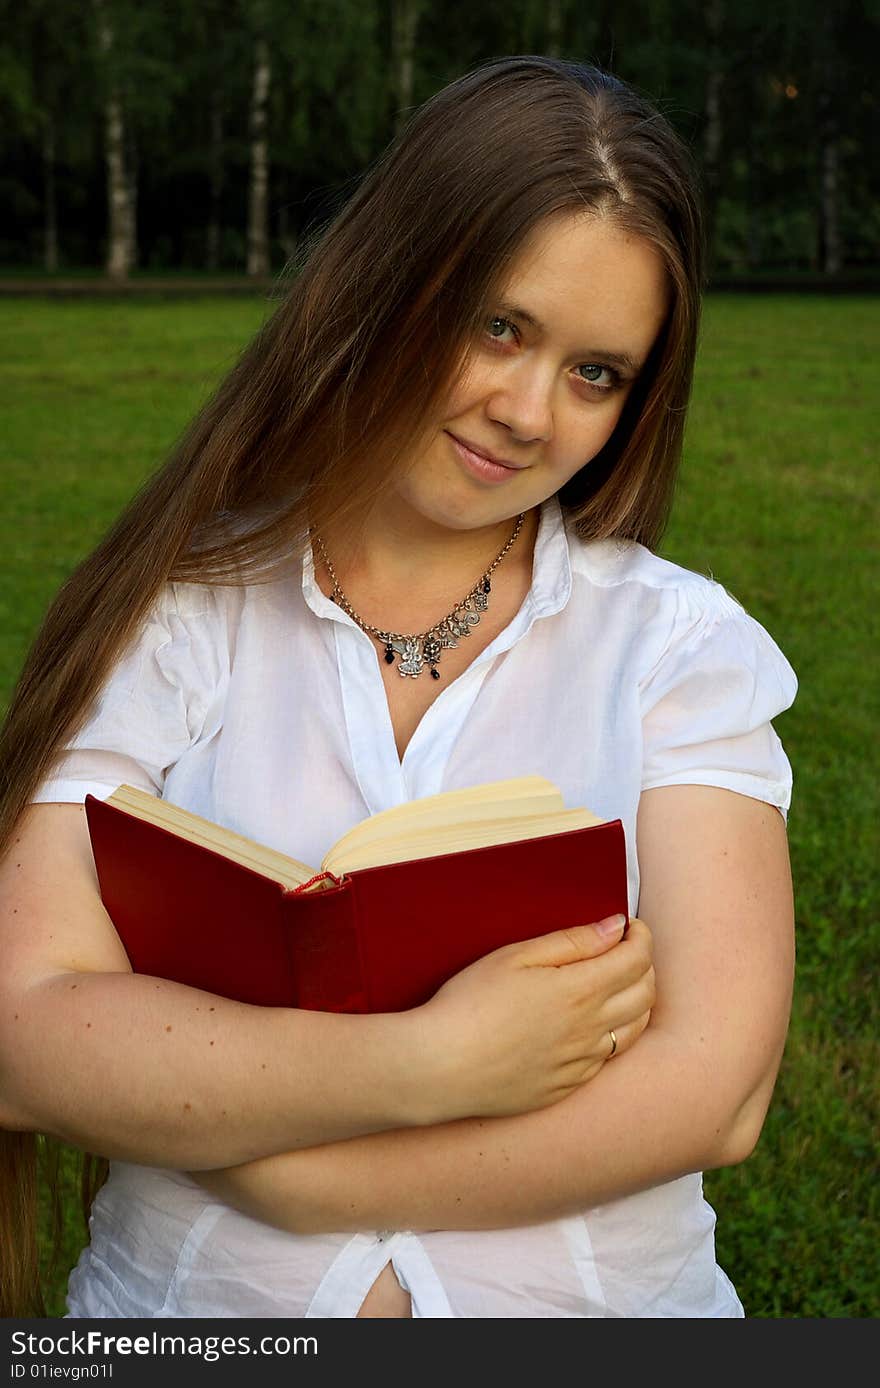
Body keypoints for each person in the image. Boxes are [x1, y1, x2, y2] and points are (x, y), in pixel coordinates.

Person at [0, 55, 796, 1320]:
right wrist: (427, 1062)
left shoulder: (675, 644)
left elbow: (714, 1090)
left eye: (596, 372)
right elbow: (26, 1032)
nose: (530, 411)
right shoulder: (177, 608)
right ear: (386, 281)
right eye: (500, 325)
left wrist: (309, 1173)